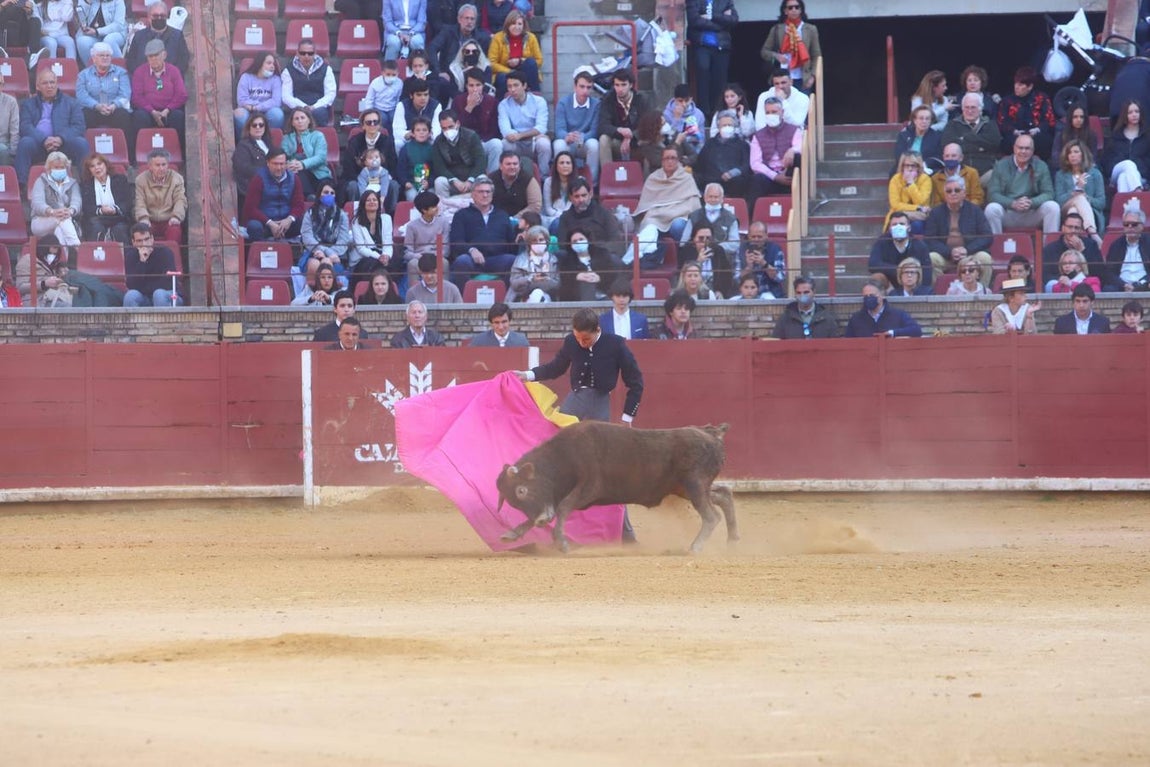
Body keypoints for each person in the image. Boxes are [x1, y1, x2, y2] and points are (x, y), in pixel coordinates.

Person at [514, 306, 644, 542]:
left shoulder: (615, 344)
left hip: (599, 408)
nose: (581, 343)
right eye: (577, 338)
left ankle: (625, 531)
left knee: (606, 471)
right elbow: (556, 367)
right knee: (554, 458)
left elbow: (636, 381)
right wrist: (528, 375)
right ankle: (544, 521)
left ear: (597, 330)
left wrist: (627, 419)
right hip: (574, 404)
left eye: (585, 338)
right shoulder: (572, 342)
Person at [16, 69, 89, 186]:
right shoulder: (28, 104)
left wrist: (61, 138)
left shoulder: (71, 102)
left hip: (64, 145)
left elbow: (79, 126)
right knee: (25, 143)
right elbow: (25, 126)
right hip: (39, 144)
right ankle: (20, 186)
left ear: (57, 84)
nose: (49, 86)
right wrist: (43, 139)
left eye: (52, 82)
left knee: (81, 143)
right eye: (45, 83)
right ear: (38, 86)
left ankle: (87, 183)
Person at [447, 177, 517, 288]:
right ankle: (462, 302)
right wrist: (471, 250)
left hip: (497, 259)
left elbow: (511, 243)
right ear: (473, 195)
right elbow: (456, 242)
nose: (485, 195)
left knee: (513, 261)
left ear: (492, 195)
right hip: (471, 260)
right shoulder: (461, 215)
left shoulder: (502, 215)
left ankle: (505, 301)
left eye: (488, 192)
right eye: (481, 192)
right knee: (461, 261)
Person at [15, 235, 123, 307]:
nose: (52, 256)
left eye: (54, 254)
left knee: (87, 289)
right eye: (49, 253)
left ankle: (111, 294)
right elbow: (20, 287)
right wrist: (44, 284)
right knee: (72, 307)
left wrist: (62, 273)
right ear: (42, 249)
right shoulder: (27, 260)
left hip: (60, 294)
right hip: (40, 300)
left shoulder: (55, 265)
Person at [634, 146, 701, 262]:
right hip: (657, 216)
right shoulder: (653, 178)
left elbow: (693, 204)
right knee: (649, 225)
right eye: (667, 158)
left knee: (678, 225)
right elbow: (647, 204)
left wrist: (672, 212)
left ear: (678, 160)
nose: (670, 161)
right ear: (662, 161)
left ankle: (682, 260)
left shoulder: (686, 178)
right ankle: (649, 260)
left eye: (673, 158)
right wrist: (663, 212)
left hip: (680, 215)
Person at [985, 134, 1060, 235]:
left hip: (1031, 212)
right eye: (1020, 148)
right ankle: (996, 248)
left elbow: (1048, 193)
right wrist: (1013, 203)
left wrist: (1031, 202)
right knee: (991, 209)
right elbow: (993, 194)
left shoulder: (1041, 166)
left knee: (1053, 207)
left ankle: (1049, 248)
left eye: (1027, 148)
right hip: (1008, 212)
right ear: (1014, 149)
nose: (1023, 151)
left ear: (1033, 151)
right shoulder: (1001, 165)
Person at [923, 175, 991, 285]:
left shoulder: (975, 210)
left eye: (957, 190)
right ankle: (938, 295)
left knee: (985, 258)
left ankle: (981, 294)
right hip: (946, 256)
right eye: (949, 191)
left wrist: (967, 250)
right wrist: (950, 252)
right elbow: (930, 240)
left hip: (970, 255)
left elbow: (987, 236)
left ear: (964, 193)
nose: (953, 193)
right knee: (931, 258)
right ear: (945, 195)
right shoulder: (936, 213)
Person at [685, 0, 737, 122]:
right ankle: (704, 114)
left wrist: (711, 17)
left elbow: (734, 20)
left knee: (719, 81)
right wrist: (720, 23)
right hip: (702, 45)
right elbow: (694, 20)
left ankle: (717, 113)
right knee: (703, 78)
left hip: (722, 47)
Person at [556, 177, 626, 263]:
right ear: (570, 198)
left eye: (584, 195)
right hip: (576, 259)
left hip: (602, 257)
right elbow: (563, 245)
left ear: (590, 194)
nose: (581, 200)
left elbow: (615, 241)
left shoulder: (604, 213)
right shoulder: (565, 217)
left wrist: (595, 251)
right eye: (577, 196)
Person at [243, 148, 305, 242]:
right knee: (253, 226)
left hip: (286, 223)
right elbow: (251, 208)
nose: (279, 168)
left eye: (282, 164)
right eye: (275, 164)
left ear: (286, 164)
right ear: (268, 163)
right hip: (265, 223)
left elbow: (299, 205)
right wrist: (270, 223)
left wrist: (289, 219)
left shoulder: (294, 179)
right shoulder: (258, 179)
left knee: (303, 222)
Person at [341, 109, 399, 206]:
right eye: (368, 122)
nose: (372, 125)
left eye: (375, 122)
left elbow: (393, 165)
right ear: (363, 125)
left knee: (394, 185)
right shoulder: (354, 141)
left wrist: (382, 178)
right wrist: (363, 179)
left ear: (379, 124)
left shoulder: (387, 141)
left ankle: (390, 215)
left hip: (382, 179)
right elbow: (348, 167)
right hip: (360, 179)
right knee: (352, 186)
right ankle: (356, 211)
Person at [497, 69, 549, 175]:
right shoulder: (503, 105)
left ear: (524, 86)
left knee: (544, 144)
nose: (512, 89)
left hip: (533, 141)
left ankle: (544, 177)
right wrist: (520, 136)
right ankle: (508, 176)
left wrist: (520, 136)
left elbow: (541, 127)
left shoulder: (539, 101)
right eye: (509, 86)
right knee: (504, 144)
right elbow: (505, 130)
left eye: (516, 85)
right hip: (516, 142)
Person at [996, 66, 1056, 159]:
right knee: (1008, 142)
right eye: (1016, 84)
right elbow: (1002, 123)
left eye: (1020, 85)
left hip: (1036, 136)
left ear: (1030, 86)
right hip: (1015, 136)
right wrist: (1014, 131)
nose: (1016, 87)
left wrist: (1037, 129)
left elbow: (1049, 121)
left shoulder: (1042, 98)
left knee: (1045, 140)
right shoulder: (1007, 101)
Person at [429, 4, 492, 91]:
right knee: (440, 82)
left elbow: (487, 60)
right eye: (466, 18)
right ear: (459, 19)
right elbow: (432, 48)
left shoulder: (482, 37)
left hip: (473, 76)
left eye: (472, 19)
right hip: (450, 75)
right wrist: (438, 72)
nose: (469, 21)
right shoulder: (448, 32)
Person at [552, 71, 600, 185]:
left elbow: (594, 130)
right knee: (559, 144)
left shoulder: (596, 104)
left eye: (589, 87)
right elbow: (559, 129)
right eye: (582, 86)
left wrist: (581, 137)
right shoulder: (563, 103)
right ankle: (562, 183)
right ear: (575, 87)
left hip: (584, 141)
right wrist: (566, 136)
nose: (585, 91)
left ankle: (591, 183)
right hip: (568, 141)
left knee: (594, 145)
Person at [761, 0, 820, 92]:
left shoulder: (810, 29)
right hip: (782, 77)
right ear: (785, 11)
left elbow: (816, 55)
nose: (794, 10)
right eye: (790, 7)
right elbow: (764, 51)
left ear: (801, 10)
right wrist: (777, 56)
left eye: (797, 7)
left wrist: (812, 76)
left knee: (802, 104)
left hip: (803, 78)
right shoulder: (777, 29)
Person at [941, 92, 1002, 180]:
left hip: (985, 172)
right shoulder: (952, 124)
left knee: (995, 178)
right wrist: (980, 147)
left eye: (973, 107)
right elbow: (946, 145)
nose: (969, 111)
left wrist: (965, 138)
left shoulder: (990, 124)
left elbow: (995, 144)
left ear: (980, 109)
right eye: (967, 107)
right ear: (962, 108)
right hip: (959, 174)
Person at [750, 96, 802, 199]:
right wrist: (775, 176)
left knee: (797, 157)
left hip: (789, 172)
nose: (770, 115)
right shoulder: (758, 135)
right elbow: (755, 163)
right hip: (770, 176)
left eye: (774, 112)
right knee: (756, 179)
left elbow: (801, 146)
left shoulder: (794, 130)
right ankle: (752, 214)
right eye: (768, 112)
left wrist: (792, 150)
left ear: (782, 112)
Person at [299, 179, 351, 283]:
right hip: (313, 252)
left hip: (336, 255)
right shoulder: (309, 214)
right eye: (326, 192)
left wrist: (330, 254)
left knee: (328, 265)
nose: (329, 195)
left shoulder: (342, 215)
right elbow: (307, 237)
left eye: (332, 193)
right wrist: (322, 251)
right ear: (319, 195)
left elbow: (343, 240)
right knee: (314, 265)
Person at [76, 42, 132, 137]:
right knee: (84, 116)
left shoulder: (121, 73)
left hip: (114, 109)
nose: (105, 58)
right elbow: (81, 96)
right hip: (93, 109)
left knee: (123, 116)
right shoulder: (83, 75)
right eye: (101, 55)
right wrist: (96, 105)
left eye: (108, 55)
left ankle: (126, 150)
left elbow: (125, 93)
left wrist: (114, 105)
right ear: (94, 58)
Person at [452, 67, 502, 173]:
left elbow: (495, 131)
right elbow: (455, 128)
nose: (475, 89)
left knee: (497, 144)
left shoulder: (492, 101)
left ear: (483, 86)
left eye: (478, 85)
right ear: (466, 86)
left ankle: (492, 178)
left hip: (484, 141)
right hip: (464, 143)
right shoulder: (458, 101)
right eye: (471, 85)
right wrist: (469, 107)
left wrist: (480, 141)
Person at [694, 110, 751, 200]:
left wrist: (733, 173)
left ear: (735, 127)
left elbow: (746, 165)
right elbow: (700, 164)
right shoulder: (710, 144)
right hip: (711, 180)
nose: (727, 127)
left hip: (734, 182)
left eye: (729, 125)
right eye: (724, 125)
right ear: (718, 127)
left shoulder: (742, 144)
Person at [597, 68, 648, 168]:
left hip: (637, 142)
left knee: (649, 142)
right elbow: (602, 126)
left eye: (623, 84)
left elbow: (646, 126)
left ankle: (647, 181)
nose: (620, 89)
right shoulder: (608, 99)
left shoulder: (641, 100)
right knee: (603, 139)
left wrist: (630, 136)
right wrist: (620, 130)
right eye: (617, 85)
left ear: (631, 85)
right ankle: (608, 178)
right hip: (617, 141)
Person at [430, 108, 487, 198]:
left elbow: (481, 161)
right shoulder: (438, 141)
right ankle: (445, 207)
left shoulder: (471, 136)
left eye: (450, 127)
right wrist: (454, 180)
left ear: (458, 124)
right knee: (439, 182)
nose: (447, 131)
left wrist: (470, 180)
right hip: (453, 180)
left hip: (471, 178)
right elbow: (439, 166)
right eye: (444, 128)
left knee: (483, 179)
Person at [1054, 139, 1106, 236]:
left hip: (1090, 212)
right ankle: (1093, 235)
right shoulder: (1060, 175)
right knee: (1079, 198)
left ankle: (1074, 239)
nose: (1072, 155)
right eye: (1069, 153)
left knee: (1075, 209)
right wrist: (1075, 191)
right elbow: (1059, 201)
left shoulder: (1095, 174)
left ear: (1083, 154)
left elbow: (1101, 203)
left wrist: (1087, 198)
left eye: (1076, 152)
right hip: (1066, 210)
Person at [280, 39, 335, 128]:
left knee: (319, 114)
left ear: (315, 53)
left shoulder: (326, 69)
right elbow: (286, 96)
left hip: (318, 107)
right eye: (303, 53)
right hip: (298, 107)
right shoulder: (288, 70)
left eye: (310, 53)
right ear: (297, 53)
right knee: (298, 116)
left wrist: (314, 107)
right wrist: (304, 107)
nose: (306, 56)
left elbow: (330, 94)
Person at [29, 151, 81, 245]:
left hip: (65, 219)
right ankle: (78, 247)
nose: (59, 169)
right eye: (56, 167)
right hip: (41, 221)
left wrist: (70, 211)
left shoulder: (73, 183)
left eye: (62, 167)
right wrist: (52, 212)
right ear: (49, 169)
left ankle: (59, 258)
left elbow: (77, 201)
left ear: (67, 168)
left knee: (60, 230)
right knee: (63, 219)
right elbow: (37, 203)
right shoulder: (41, 181)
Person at [133, 148, 185, 243]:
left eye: (164, 164)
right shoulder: (140, 180)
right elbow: (140, 202)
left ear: (168, 165)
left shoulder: (177, 178)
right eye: (157, 165)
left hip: (169, 219)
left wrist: (177, 216)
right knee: (141, 232)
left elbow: (180, 200)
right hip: (149, 219)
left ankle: (173, 257)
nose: (161, 168)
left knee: (175, 231)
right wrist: (143, 218)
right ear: (150, 166)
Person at [869, 211, 932, 287]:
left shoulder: (919, 246)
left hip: (913, 283)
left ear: (909, 228)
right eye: (894, 224)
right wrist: (900, 270)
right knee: (877, 277)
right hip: (891, 283)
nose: (898, 227)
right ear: (890, 228)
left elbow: (927, 273)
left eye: (902, 224)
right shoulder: (882, 242)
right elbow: (873, 264)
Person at [1100, 98, 1150, 194]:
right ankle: (1138, 192)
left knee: (1123, 179)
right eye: (1130, 112)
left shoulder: (1146, 137)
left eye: (1137, 111)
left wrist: (1140, 166)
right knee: (1128, 164)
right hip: (1116, 171)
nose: (1134, 114)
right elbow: (1106, 160)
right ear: (1125, 115)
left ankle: (1125, 207)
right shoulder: (1116, 136)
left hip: (1139, 175)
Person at [123, 223, 180, 307]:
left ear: (152, 239)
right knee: (130, 296)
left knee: (158, 295)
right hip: (145, 297)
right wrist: (142, 261)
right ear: (133, 242)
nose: (144, 243)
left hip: (167, 294)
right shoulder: (130, 255)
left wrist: (145, 288)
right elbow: (131, 285)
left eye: (146, 239)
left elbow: (168, 283)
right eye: (139, 241)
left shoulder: (165, 252)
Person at [79, 152, 131, 243]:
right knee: (96, 228)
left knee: (120, 230)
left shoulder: (120, 180)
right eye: (92, 166)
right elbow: (86, 207)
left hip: (118, 217)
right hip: (96, 218)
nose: (97, 168)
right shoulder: (86, 185)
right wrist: (101, 210)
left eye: (99, 164)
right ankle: (96, 256)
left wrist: (115, 209)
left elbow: (128, 202)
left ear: (106, 165)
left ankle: (124, 256)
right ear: (89, 170)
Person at [348, 188, 395, 287]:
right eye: (368, 200)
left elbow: (388, 243)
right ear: (363, 204)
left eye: (374, 200)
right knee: (372, 263)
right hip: (363, 259)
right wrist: (379, 257)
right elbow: (361, 248)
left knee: (397, 261)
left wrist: (386, 256)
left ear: (379, 203)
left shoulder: (386, 218)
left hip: (382, 256)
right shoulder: (356, 221)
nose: (372, 202)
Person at [844, 280, 923, 338]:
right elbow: (848, 341)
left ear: (882, 295)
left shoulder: (897, 315)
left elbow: (916, 330)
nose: (869, 298)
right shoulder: (856, 318)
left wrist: (893, 333)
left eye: (872, 295)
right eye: (866, 296)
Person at [487, 10, 541, 96]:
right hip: (505, 73)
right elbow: (491, 63)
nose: (517, 27)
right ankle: (501, 105)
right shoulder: (497, 38)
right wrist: (510, 71)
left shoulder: (531, 38)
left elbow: (539, 60)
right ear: (507, 24)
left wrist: (520, 61)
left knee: (530, 62)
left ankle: (535, 98)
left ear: (524, 25)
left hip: (524, 72)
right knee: (501, 77)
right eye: (513, 24)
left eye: (520, 24)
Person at [281, 107, 331, 199]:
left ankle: (309, 197)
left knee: (299, 161)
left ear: (309, 121)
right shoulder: (286, 138)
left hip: (318, 173)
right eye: (296, 119)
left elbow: (321, 157)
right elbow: (283, 157)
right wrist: (289, 165)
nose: (300, 121)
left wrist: (302, 164)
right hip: (296, 172)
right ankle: (309, 197)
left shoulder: (318, 136)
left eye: (302, 118)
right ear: (292, 123)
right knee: (296, 170)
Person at [125, 2, 189, 73]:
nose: (159, 18)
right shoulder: (139, 36)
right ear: (149, 17)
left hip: (170, 80)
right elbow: (131, 62)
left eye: (162, 15)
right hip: (144, 80)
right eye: (155, 16)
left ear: (167, 16)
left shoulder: (177, 36)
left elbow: (183, 62)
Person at [557, 226, 617, 301]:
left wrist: (599, 277)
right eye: (574, 241)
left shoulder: (602, 254)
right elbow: (564, 280)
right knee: (586, 283)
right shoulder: (567, 260)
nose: (578, 242)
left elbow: (612, 275)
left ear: (588, 240)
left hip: (604, 293)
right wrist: (576, 276)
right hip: (579, 296)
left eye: (581, 239)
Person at [403, 190, 450, 282]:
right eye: (433, 207)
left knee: (444, 262)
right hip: (419, 257)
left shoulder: (444, 222)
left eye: (436, 205)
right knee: (412, 264)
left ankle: (444, 293)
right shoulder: (412, 226)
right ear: (424, 210)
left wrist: (434, 256)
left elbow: (446, 249)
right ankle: (414, 294)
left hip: (437, 256)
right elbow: (407, 252)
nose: (437, 208)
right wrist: (418, 256)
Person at [233, 52, 284, 137]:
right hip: (248, 112)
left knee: (277, 114)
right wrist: (253, 108)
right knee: (239, 114)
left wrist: (256, 107)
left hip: (267, 112)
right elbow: (242, 100)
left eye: (273, 64)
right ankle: (244, 143)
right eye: (269, 63)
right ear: (260, 63)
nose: (272, 66)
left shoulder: (276, 79)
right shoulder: (246, 77)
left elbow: (276, 102)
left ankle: (269, 141)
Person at [1040, 211, 1103, 279]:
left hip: (1084, 285)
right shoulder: (1051, 249)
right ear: (1063, 228)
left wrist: (1082, 252)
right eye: (1070, 227)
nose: (1073, 230)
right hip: (1059, 286)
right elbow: (1045, 275)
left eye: (1076, 228)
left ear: (1081, 230)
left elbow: (1099, 272)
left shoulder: (1091, 245)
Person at [773, 275, 840, 339]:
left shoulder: (827, 319)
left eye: (806, 292)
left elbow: (835, 345)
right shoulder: (785, 319)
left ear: (814, 292)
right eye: (799, 293)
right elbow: (776, 343)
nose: (802, 296)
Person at [677, 224, 733, 298]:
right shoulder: (686, 252)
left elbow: (726, 275)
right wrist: (698, 262)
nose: (705, 241)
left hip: (714, 292)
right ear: (694, 239)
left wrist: (720, 291)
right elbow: (682, 276)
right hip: (693, 292)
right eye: (701, 238)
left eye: (708, 238)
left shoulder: (718, 251)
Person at [1105, 203, 1150, 292]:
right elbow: (1109, 272)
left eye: (1134, 224)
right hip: (1121, 285)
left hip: (1144, 285)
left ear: (1141, 226)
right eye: (1126, 224)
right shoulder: (1116, 245)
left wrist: (1138, 285)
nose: (1130, 227)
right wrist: (1123, 285)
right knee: (1108, 289)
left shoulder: (1148, 242)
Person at [734, 220, 786, 298]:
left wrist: (764, 264)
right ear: (748, 236)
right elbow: (737, 279)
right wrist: (749, 267)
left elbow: (780, 277)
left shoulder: (775, 249)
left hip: (769, 291)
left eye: (759, 237)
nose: (756, 239)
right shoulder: (741, 249)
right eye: (753, 236)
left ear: (766, 236)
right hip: (746, 293)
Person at [393, 74, 443, 155]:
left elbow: (436, 131)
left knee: (437, 142)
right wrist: (413, 134)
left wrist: (423, 134)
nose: (423, 98)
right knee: (397, 143)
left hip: (428, 139)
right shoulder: (402, 105)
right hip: (410, 138)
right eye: (419, 95)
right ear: (411, 95)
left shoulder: (436, 106)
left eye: (426, 94)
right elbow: (397, 131)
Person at [508, 223, 557, 302]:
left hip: (547, 296)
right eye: (534, 241)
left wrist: (545, 279)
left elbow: (557, 284)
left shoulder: (553, 260)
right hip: (521, 297)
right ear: (529, 244)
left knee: (538, 294)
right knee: (537, 294)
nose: (538, 243)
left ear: (546, 241)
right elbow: (514, 283)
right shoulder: (521, 259)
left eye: (541, 240)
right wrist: (530, 279)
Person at [886, 152, 932, 233]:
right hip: (899, 215)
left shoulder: (925, 179)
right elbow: (895, 204)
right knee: (896, 225)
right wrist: (917, 208)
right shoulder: (895, 179)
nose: (910, 169)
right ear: (902, 166)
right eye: (907, 165)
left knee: (917, 225)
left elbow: (921, 201)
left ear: (918, 167)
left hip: (918, 217)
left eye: (913, 166)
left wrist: (911, 184)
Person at [233, 112, 272, 208]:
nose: (258, 127)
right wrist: (269, 171)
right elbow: (243, 168)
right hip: (255, 187)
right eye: (254, 125)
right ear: (249, 127)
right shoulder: (243, 145)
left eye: (261, 125)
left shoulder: (268, 143)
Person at [491, 149, 540, 219]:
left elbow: (535, 206)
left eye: (515, 164)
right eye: (508, 164)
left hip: (522, 221)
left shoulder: (529, 180)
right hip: (496, 219)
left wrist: (514, 219)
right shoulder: (491, 179)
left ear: (519, 165)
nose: (512, 167)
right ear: (501, 166)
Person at [397, 116, 436, 202]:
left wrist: (429, 182)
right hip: (411, 184)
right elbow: (401, 169)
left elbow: (435, 170)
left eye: (424, 130)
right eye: (418, 130)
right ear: (413, 133)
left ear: (430, 133)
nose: (421, 133)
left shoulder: (433, 149)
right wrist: (405, 182)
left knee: (431, 197)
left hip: (427, 184)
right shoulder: (406, 149)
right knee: (412, 196)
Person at [358, 60, 403, 130]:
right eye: (388, 74)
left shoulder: (399, 83)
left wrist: (398, 110)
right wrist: (369, 113)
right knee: (383, 119)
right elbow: (369, 99)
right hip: (378, 108)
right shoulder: (375, 83)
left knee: (396, 119)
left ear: (398, 73)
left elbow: (398, 98)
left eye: (394, 75)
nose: (391, 77)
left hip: (393, 108)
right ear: (382, 73)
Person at [540, 149, 575, 232]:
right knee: (558, 224)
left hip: (574, 217)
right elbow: (548, 209)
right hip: (553, 217)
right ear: (556, 166)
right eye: (561, 163)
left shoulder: (580, 181)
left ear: (572, 166)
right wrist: (562, 216)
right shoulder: (548, 182)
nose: (565, 165)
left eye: (568, 163)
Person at [0, 71, 17, 168]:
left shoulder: (11, 102)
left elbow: (15, 130)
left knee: (4, 152)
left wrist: (13, 151)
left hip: (3, 143)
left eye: (0, 84)